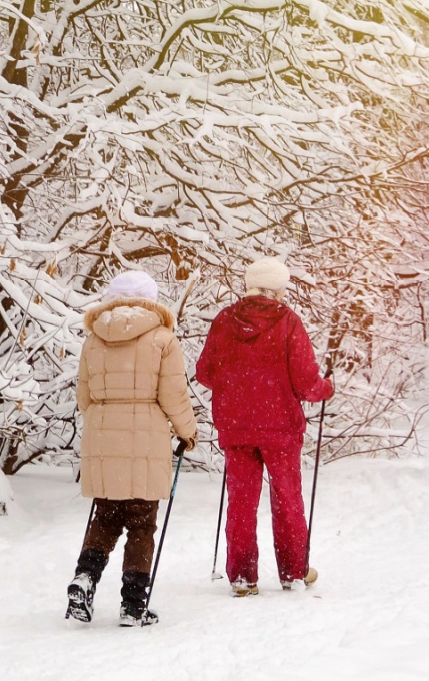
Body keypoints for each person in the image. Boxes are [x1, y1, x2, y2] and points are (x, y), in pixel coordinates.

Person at [67, 270, 198, 627]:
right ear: (150, 298)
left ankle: (85, 577)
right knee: (142, 523)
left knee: (106, 516)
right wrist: (187, 431)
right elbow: (173, 394)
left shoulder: (93, 340)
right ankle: (133, 605)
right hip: (146, 439)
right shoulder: (162, 338)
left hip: (103, 435)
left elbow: (84, 397)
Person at [196, 257, 333, 596]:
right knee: (287, 498)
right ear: (278, 288)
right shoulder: (288, 321)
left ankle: (242, 576)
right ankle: (293, 571)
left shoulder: (225, 320)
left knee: (241, 501)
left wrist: (237, 385)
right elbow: (304, 381)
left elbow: (205, 373)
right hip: (280, 427)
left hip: (236, 426)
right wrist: (324, 388)